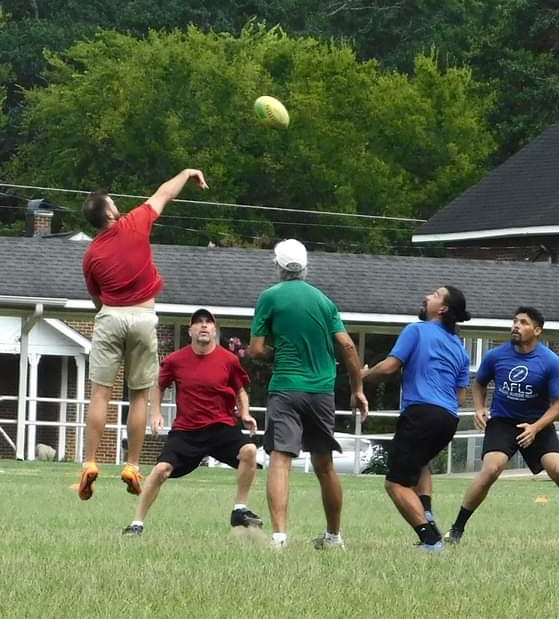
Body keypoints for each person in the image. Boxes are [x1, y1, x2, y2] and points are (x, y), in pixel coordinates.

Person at [78, 168, 209, 501]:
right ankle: (132, 465)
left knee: (99, 396)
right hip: (142, 317)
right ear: (110, 212)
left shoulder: (91, 255)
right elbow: (165, 192)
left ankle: (90, 463)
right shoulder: (134, 222)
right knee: (138, 395)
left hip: (109, 317)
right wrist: (187, 172)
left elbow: (96, 298)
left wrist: (107, 313)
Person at [444, 307, 559, 546]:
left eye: (523, 322)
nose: (516, 326)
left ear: (537, 330)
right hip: (503, 422)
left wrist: (535, 428)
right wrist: (478, 408)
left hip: (537, 424)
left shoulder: (550, 362)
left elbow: (558, 405)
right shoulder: (496, 356)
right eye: (514, 322)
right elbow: (478, 384)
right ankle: (456, 529)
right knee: (491, 469)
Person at [247, 239, 367, 550]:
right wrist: (357, 389)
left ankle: (279, 537)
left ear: (277, 265)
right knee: (324, 465)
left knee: (280, 460)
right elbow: (349, 347)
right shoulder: (325, 302)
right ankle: (333, 536)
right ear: (305, 266)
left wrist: (277, 354)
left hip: (286, 388)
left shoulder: (269, 297)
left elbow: (256, 349)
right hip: (322, 391)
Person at [122, 309, 262, 536]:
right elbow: (158, 385)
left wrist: (245, 413)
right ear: (190, 331)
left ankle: (239, 509)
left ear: (214, 330)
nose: (204, 326)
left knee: (249, 451)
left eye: (208, 322)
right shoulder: (176, 360)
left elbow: (240, 390)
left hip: (221, 428)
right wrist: (155, 414)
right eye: (198, 323)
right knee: (160, 470)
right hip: (186, 431)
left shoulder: (229, 360)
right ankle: (136, 524)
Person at [360, 286, 471, 552]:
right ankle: (427, 512)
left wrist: (361, 376)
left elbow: (389, 367)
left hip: (422, 413)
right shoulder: (459, 347)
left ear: (442, 308)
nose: (427, 296)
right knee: (421, 463)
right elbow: (461, 398)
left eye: (434, 294)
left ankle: (430, 538)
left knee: (396, 483)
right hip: (447, 419)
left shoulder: (416, 330)